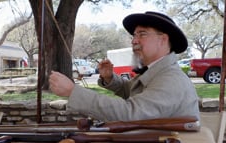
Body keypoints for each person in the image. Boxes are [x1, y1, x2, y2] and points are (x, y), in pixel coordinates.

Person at [49, 11, 200, 121]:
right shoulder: (157, 71)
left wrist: (73, 91)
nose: (134, 41)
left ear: (163, 39)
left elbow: (131, 114)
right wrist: (109, 78)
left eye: (142, 34)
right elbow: (130, 90)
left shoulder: (171, 79)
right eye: (134, 35)